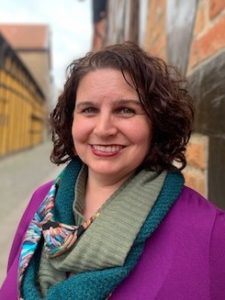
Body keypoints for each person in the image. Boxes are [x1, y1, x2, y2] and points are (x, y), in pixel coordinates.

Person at [1, 42, 225, 300]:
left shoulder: (210, 232)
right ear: (71, 119)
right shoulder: (41, 203)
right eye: (89, 110)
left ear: (156, 121)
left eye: (125, 110)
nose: (104, 128)